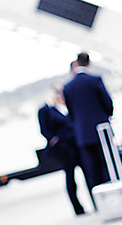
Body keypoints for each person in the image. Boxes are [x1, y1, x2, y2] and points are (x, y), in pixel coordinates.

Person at [63, 53, 113, 201]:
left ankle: (99, 201)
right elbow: (107, 103)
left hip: (83, 134)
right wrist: (107, 116)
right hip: (101, 129)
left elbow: (71, 112)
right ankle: (113, 196)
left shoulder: (68, 87)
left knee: (92, 170)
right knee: (108, 164)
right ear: (89, 63)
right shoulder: (95, 80)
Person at [38, 84, 85, 215]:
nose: (59, 93)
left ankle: (96, 202)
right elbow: (45, 130)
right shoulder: (46, 109)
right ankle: (77, 207)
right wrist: (57, 142)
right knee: (70, 177)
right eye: (57, 91)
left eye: (61, 91)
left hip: (77, 144)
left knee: (88, 173)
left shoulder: (68, 104)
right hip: (64, 148)